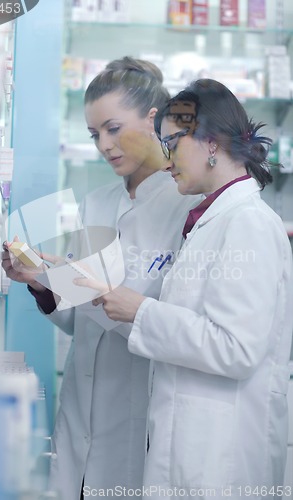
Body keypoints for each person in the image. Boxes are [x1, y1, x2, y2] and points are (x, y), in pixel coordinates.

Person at [81, 79, 293, 499]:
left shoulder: (246, 222)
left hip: (221, 457)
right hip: (193, 448)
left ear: (210, 143)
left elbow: (236, 348)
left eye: (173, 144)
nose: (166, 157)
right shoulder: (209, 219)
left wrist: (141, 311)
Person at [1, 57, 201, 500]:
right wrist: (41, 281)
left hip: (139, 411)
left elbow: (171, 323)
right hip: (79, 410)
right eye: (94, 135)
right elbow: (79, 322)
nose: (104, 145)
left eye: (113, 128)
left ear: (153, 119)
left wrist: (77, 284)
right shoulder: (96, 202)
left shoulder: (185, 207)